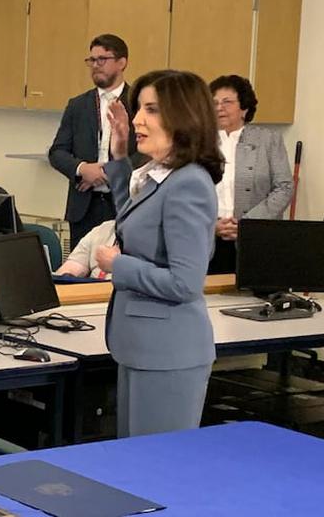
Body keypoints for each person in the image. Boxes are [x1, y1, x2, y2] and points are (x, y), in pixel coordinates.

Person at [94, 69, 224, 438]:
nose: (137, 120)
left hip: (169, 353)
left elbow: (185, 283)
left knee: (155, 472)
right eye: (139, 109)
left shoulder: (189, 184)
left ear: (182, 117)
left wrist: (120, 265)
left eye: (151, 110)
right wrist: (119, 156)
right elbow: (132, 226)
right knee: (134, 468)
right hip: (140, 347)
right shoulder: (161, 176)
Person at [48, 34, 140, 250]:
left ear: (122, 62)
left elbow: (147, 153)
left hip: (124, 204)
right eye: (92, 60)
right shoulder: (78, 105)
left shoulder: (138, 102)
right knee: (78, 273)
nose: (95, 66)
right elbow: (57, 152)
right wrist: (83, 169)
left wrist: (104, 172)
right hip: (84, 207)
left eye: (102, 59)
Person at [207, 75, 294, 274]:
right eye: (214, 103)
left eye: (227, 102)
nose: (219, 108)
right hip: (209, 237)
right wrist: (213, 225)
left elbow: (284, 187)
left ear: (244, 108)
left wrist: (247, 224)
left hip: (256, 237)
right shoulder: (200, 142)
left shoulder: (268, 140)